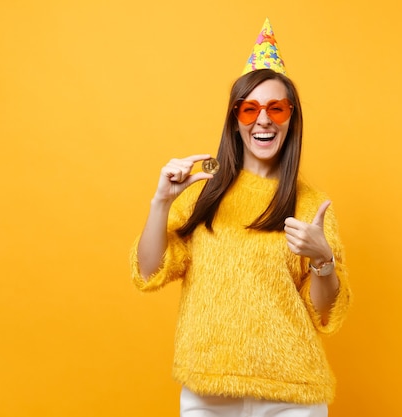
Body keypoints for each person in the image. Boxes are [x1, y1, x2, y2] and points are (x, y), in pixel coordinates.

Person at [131, 18, 351, 417]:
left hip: (292, 394)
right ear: (235, 120)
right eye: (249, 109)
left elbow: (324, 314)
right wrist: (160, 202)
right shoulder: (201, 190)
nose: (263, 119)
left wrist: (322, 261)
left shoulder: (312, 206)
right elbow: (149, 272)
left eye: (276, 108)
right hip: (208, 391)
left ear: (291, 119)